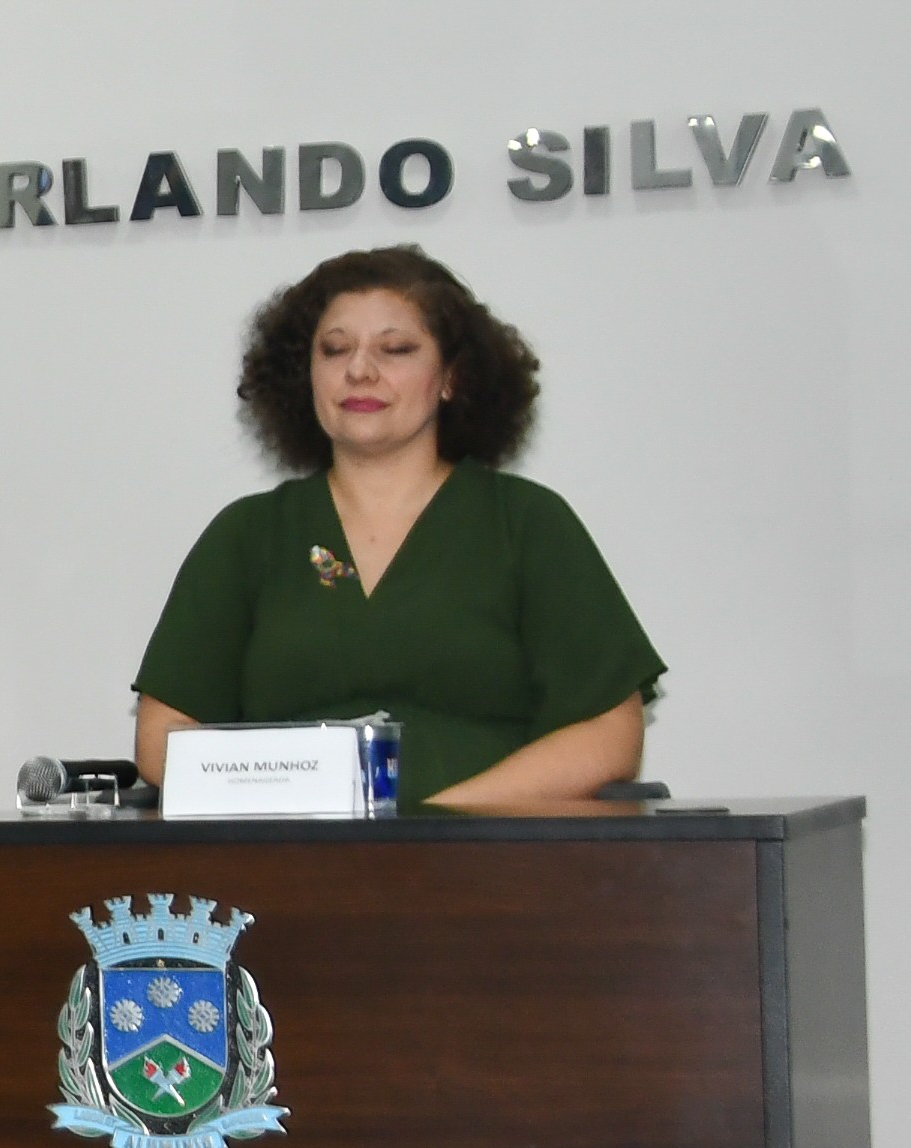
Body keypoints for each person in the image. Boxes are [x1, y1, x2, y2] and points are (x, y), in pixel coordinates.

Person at [133, 246, 660, 810]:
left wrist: (436, 822)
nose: (359, 370)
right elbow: (163, 739)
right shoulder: (248, 535)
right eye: (335, 350)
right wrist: (284, 810)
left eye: (396, 349)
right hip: (286, 855)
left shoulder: (526, 522)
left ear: (451, 376)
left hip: (491, 853)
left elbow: (609, 736)